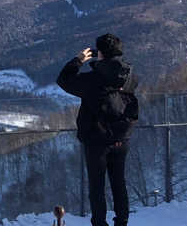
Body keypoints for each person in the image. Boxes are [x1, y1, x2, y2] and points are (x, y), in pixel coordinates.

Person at [57, 33, 139, 226]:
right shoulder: (130, 77)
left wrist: (78, 60)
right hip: (121, 139)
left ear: (99, 53)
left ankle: (100, 223)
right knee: (119, 184)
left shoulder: (92, 80)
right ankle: (122, 222)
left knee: (97, 186)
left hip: (96, 140)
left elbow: (63, 80)